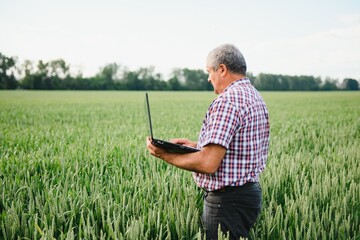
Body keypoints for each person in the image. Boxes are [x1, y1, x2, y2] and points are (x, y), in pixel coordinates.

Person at [146, 43, 270, 239]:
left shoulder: (228, 101)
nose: (208, 78)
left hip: (226, 202)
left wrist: (165, 154)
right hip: (248, 196)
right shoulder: (255, 97)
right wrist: (195, 147)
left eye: (209, 71)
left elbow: (208, 163)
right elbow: (237, 149)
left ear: (222, 69)